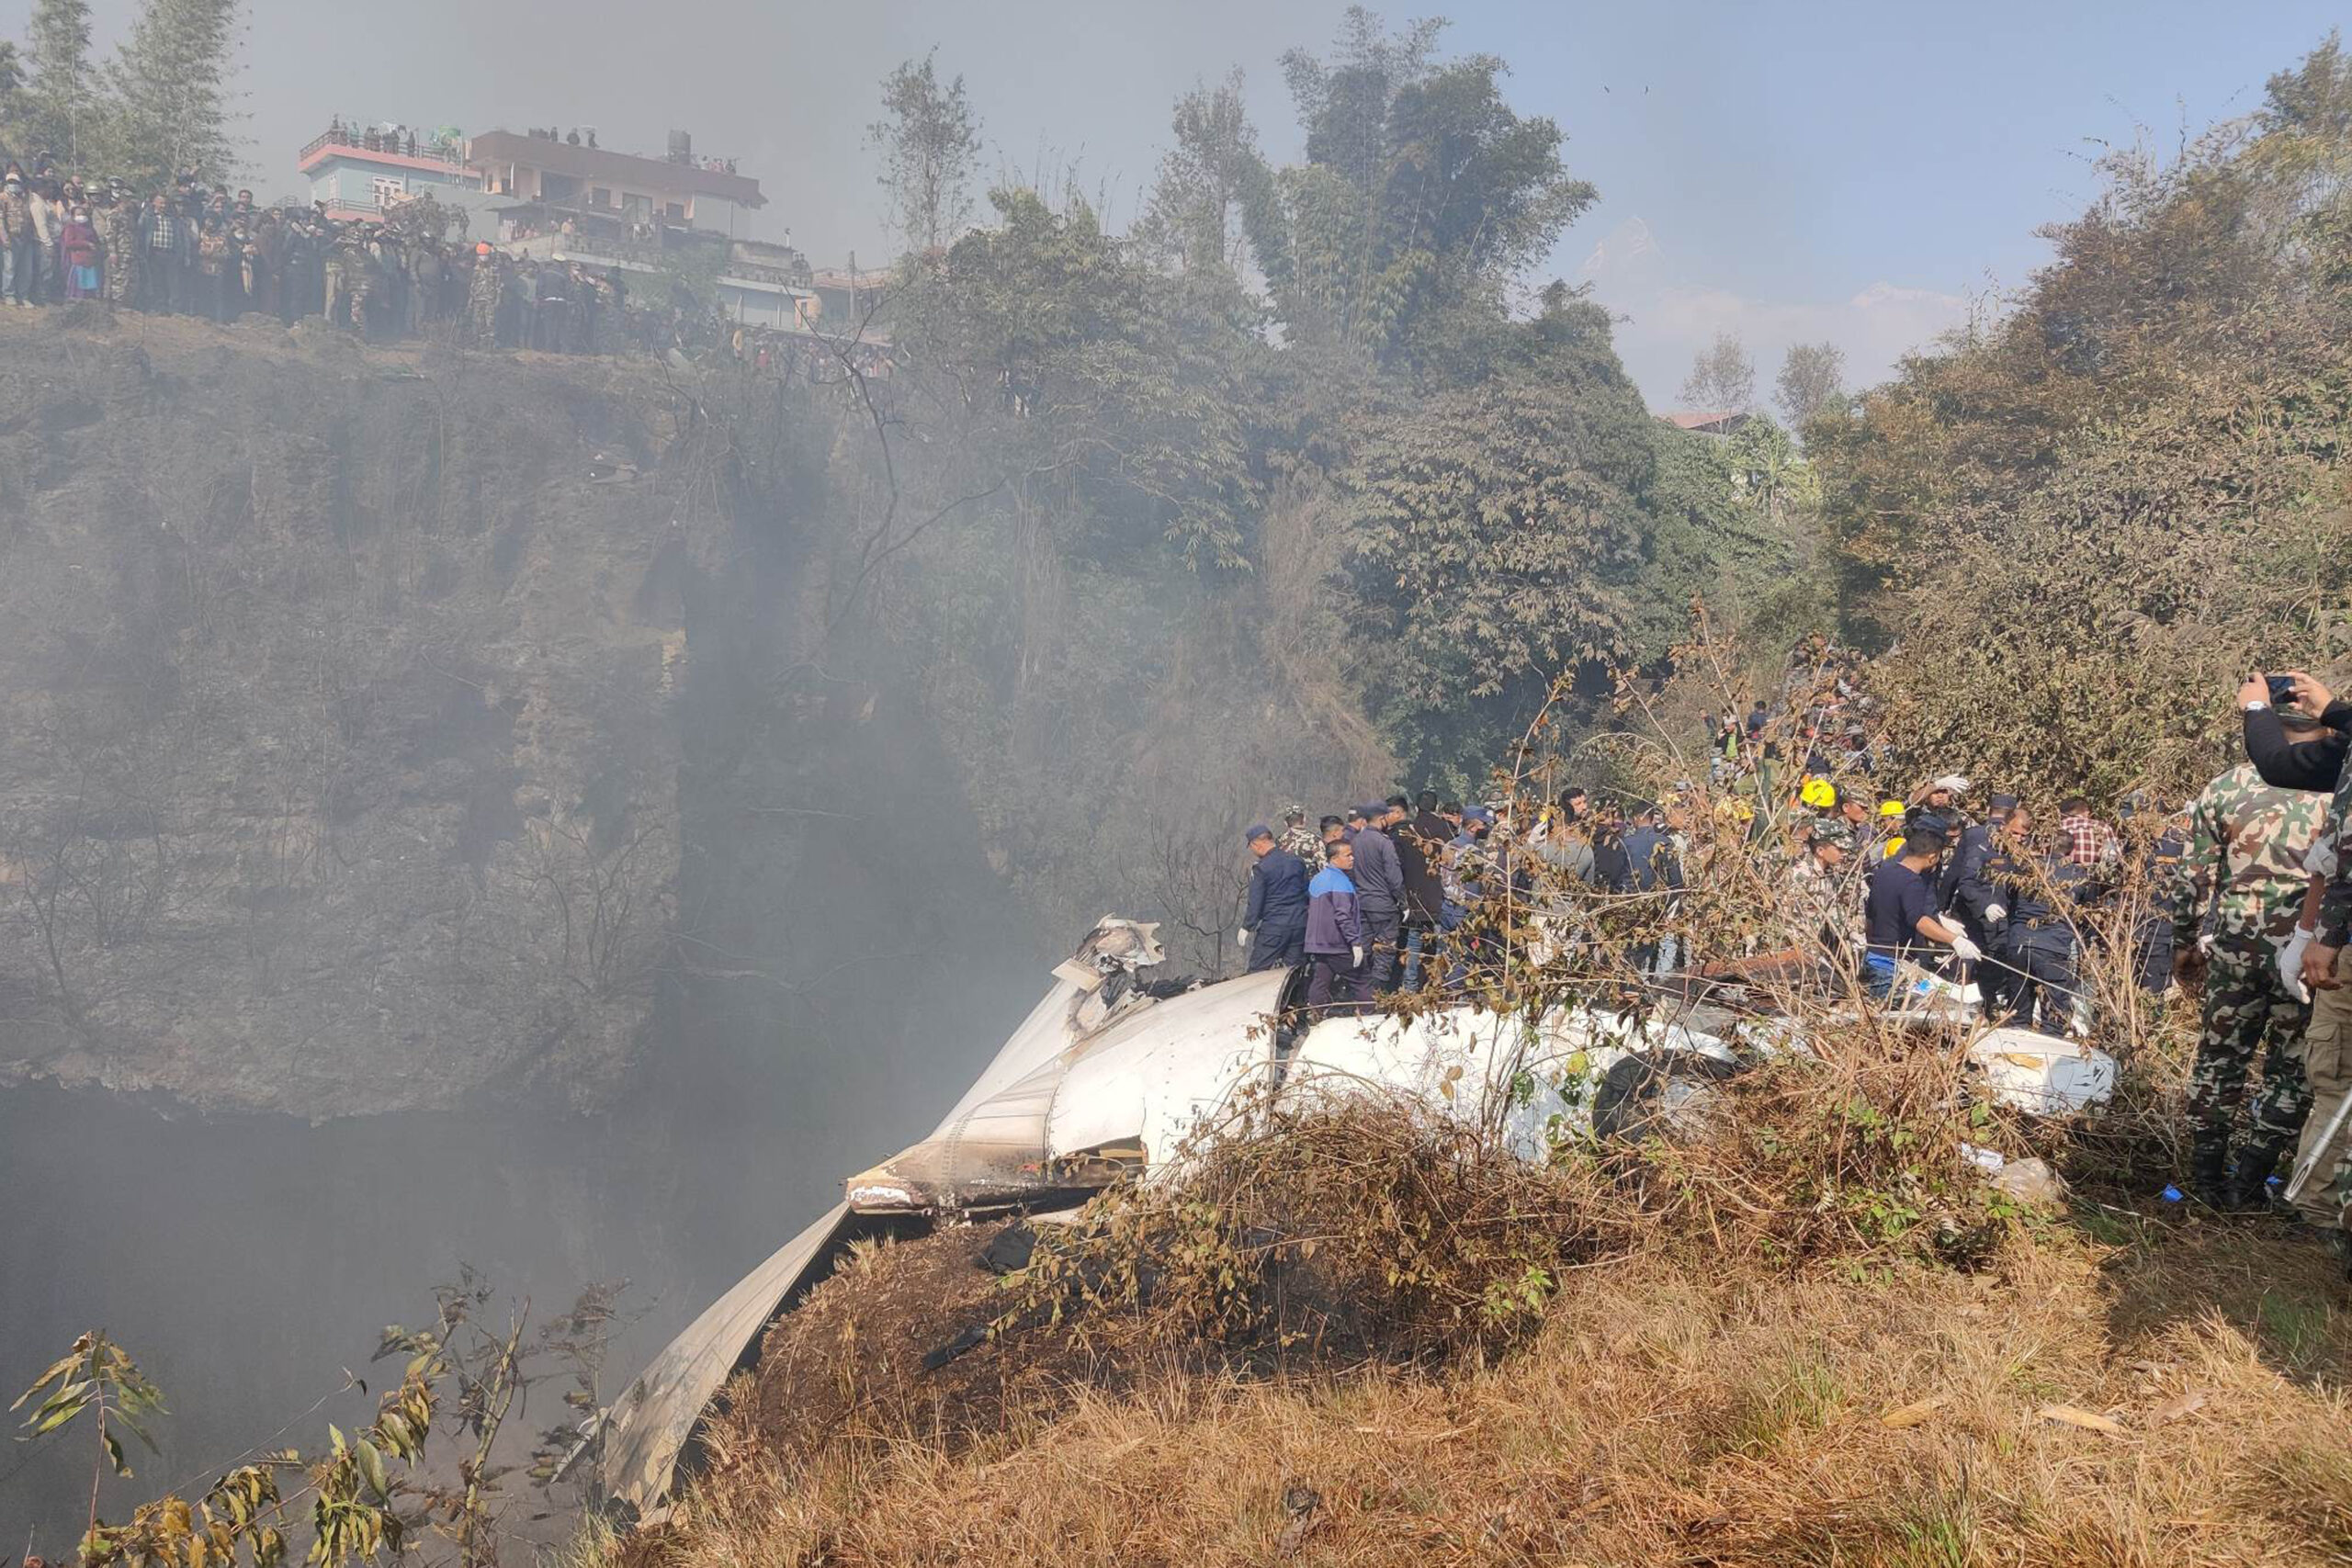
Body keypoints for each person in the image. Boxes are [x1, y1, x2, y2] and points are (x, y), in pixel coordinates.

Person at [2171, 743, 2326, 1208]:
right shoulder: (2336, 782)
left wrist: (2184, 939)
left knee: (2219, 1058)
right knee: (2292, 1067)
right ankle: (2251, 1180)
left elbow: (2193, 875)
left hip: (2236, 948)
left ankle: (2207, 1178)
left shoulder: (2229, 784)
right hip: (2305, 954)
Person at [1863, 822, 1978, 998]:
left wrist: (1871, 945)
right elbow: (1919, 920)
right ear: (1932, 857)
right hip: (1891, 962)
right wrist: (1955, 940)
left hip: (1874, 956)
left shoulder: (1883, 872)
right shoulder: (1913, 881)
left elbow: (1870, 917)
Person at [1349, 801, 1408, 992]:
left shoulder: (1355, 841)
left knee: (1365, 949)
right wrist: (1403, 902)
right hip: (1384, 905)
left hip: (1362, 903)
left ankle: (1361, 992)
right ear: (1382, 818)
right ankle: (1379, 995)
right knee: (1385, 950)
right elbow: (1394, 877)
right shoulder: (1384, 843)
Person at [1304, 836, 1367, 1012]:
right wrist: (1355, 942)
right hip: (1337, 944)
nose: (1352, 858)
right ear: (1334, 859)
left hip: (1317, 944)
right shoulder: (1340, 882)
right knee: (1362, 980)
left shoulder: (1317, 879)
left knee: (1321, 981)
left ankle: (1315, 1016)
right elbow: (1343, 916)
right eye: (1348, 855)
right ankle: (1370, 1018)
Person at [1395, 792, 1451, 990]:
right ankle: (1439, 985)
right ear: (1436, 808)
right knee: (1440, 946)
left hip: (1414, 897)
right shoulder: (1443, 829)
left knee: (1414, 943)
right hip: (1438, 897)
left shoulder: (1408, 830)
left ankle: (1410, 986)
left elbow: (1399, 864)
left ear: (1416, 808)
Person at [1238, 825, 1308, 975]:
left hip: (1274, 927)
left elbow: (1256, 901)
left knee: (1257, 972)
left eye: (1251, 847)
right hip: (1300, 924)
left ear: (1256, 844)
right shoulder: (1297, 861)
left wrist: (1247, 926)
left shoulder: (1261, 868)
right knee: (1293, 973)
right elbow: (1306, 892)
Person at [1276, 806, 1323, 870]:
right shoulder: (1314, 839)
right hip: (1309, 879)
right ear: (1304, 819)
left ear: (1286, 823)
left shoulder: (1279, 841)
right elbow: (1323, 866)